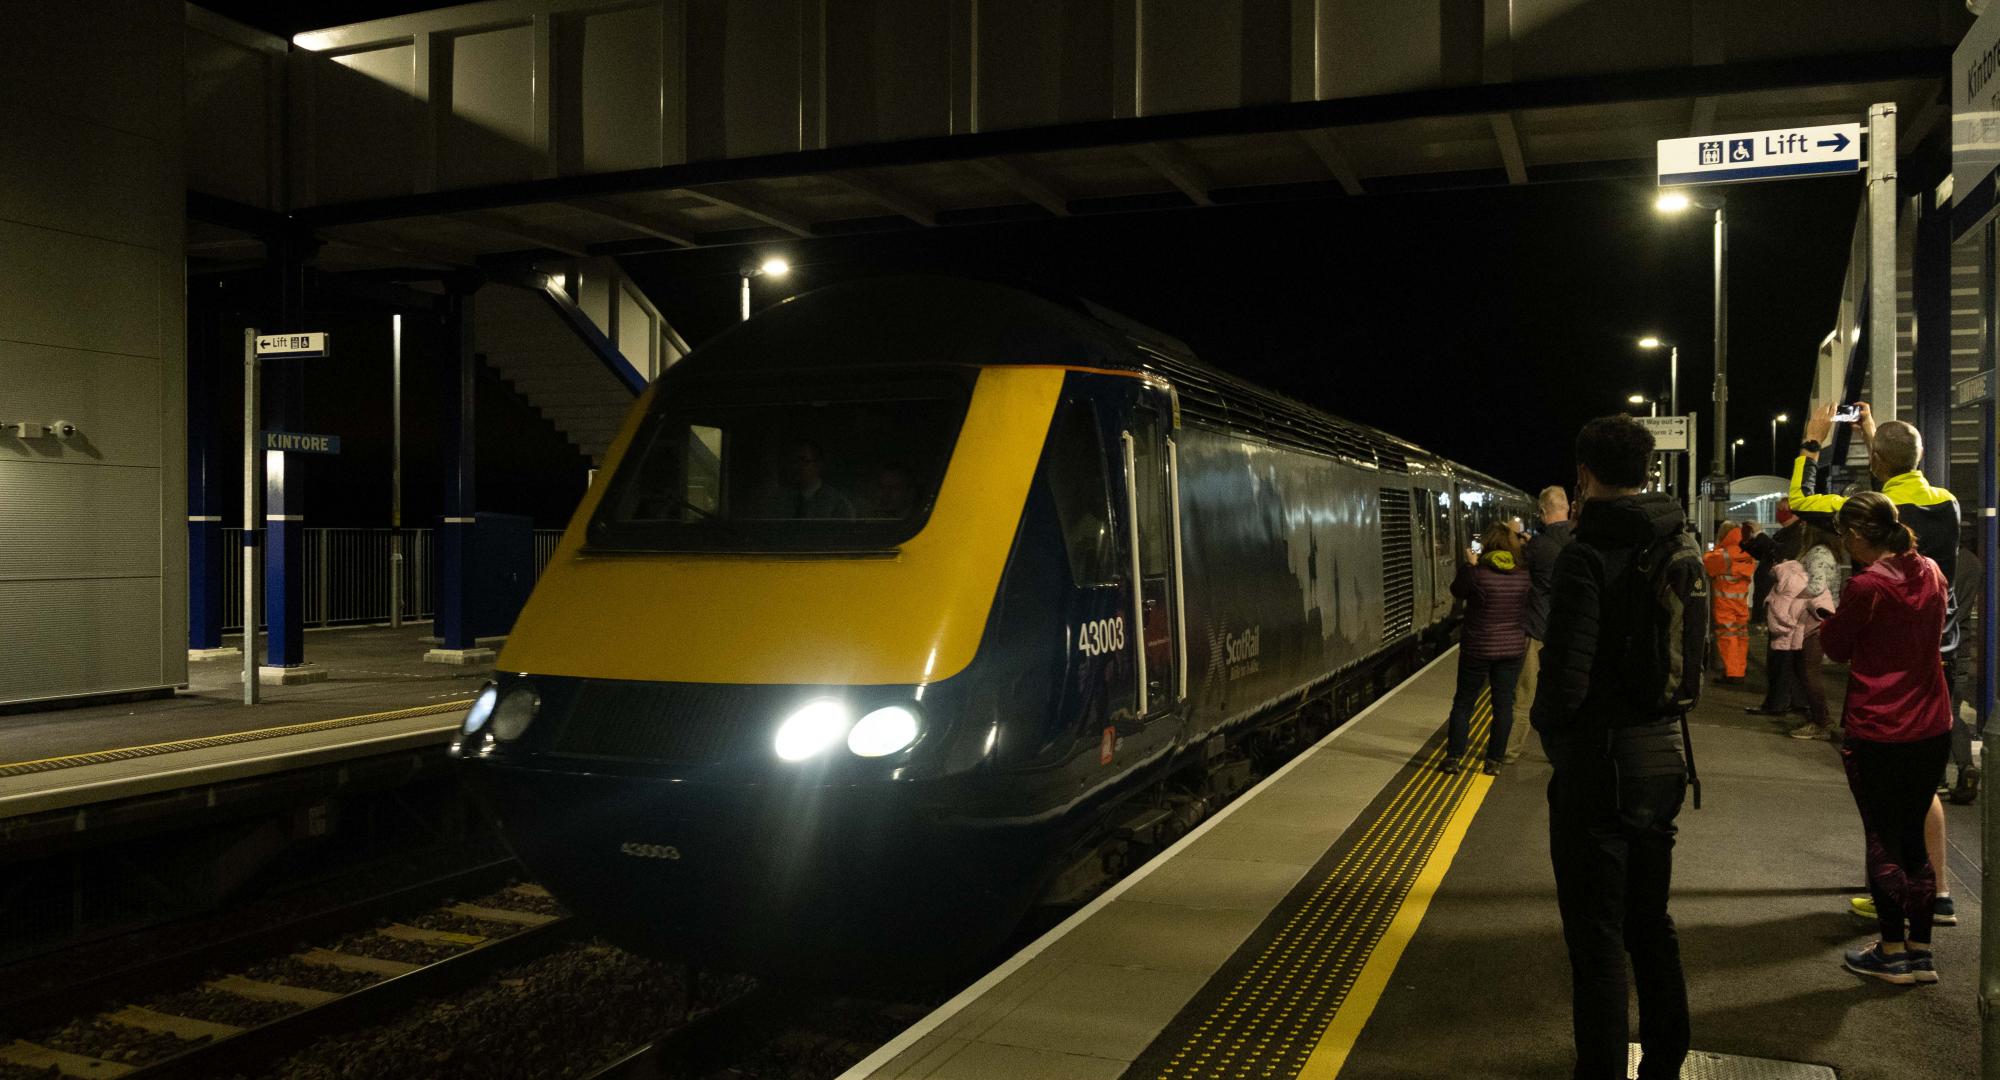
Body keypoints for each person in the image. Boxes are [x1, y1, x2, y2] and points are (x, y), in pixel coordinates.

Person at [1533, 415, 1704, 1080]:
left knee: (1597, 940)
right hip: (1663, 756)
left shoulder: (1587, 550)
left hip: (1599, 767)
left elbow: (1565, 682)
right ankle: (1665, 1062)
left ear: (1585, 474)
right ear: (1646, 471)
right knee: (1650, 923)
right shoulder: (1676, 538)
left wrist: (1555, 738)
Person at [1789, 403, 1963, 922]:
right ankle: (1938, 891)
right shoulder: (1947, 504)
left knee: (1884, 800)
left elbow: (1801, 500)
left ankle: (1896, 900)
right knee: (1920, 788)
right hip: (1936, 658)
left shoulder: (1871, 517)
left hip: (1886, 669)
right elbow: (1902, 476)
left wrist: (1811, 444)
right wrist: (1874, 438)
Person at [1811, 492, 1953, 984]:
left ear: (1854, 536)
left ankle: (1891, 951)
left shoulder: (1868, 586)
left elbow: (1836, 647)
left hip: (1880, 726)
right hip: (1933, 722)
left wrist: (1825, 623)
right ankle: (1921, 950)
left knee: (1883, 839)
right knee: (1912, 835)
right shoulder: (1931, 571)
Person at [1442, 520, 1532, 776]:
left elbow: (1457, 591)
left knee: (1464, 702)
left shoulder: (1477, 574)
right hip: (1511, 650)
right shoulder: (1523, 575)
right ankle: (1494, 761)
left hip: (1477, 648)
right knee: (1503, 704)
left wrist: (1469, 566)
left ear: (1487, 545)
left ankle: (1454, 758)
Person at [1510, 486, 1572, 763]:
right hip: (1570, 633)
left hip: (1537, 628)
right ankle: (1562, 752)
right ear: (1567, 509)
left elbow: (1517, 577)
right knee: (1564, 696)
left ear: (1544, 512)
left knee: (1524, 696)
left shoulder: (1537, 546)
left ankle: (1509, 751)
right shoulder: (1580, 541)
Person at [1780, 519, 1841, 740]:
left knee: (1808, 671)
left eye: (1806, 526)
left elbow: (1816, 587)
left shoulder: (1817, 553)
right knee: (1806, 670)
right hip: (1818, 617)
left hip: (1815, 619)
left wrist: (1787, 588)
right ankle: (1818, 717)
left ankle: (1821, 721)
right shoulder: (1824, 552)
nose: (1803, 529)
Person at [1948, 523, 1984, 803]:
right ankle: (1965, 768)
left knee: (1943, 712)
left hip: (1944, 645)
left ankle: (1960, 767)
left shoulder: (1945, 562)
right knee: (1953, 708)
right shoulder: (1973, 563)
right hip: (1963, 644)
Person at [750, 439, 855, 519]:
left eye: (804, 461)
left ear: (818, 465)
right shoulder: (778, 501)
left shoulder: (838, 504)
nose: (796, 466)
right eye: (793, 461)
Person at [1704, 522, 1754, 684]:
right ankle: (1739, 669)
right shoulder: (1747, 552)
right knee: (1741, 636)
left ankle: (1732, 673)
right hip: (1741, 602)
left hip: (1725, 604)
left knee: (1728, 637)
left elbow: (1706, 563)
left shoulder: (1722, 555)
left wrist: (1718, 546)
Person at [1743, 520, 1776, 624]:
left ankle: (1759, 619)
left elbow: (1759, 551)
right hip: (1763, 573)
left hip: (1765, 574)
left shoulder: (1762, 540)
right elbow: (1756, 552)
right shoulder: (1755, 540)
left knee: (1761, 596)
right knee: (1759, 596)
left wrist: (1758, 533)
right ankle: (1758, 619)